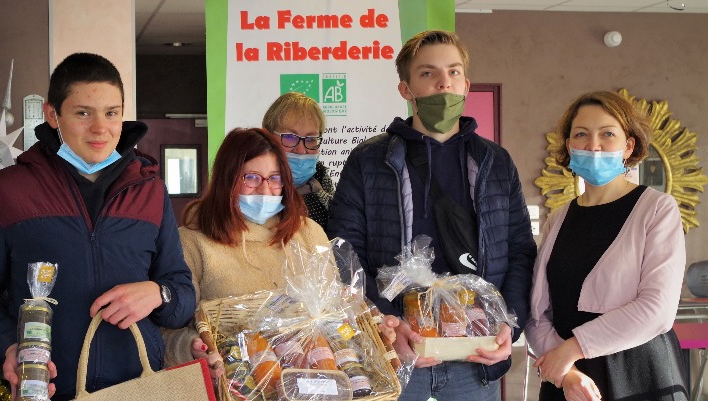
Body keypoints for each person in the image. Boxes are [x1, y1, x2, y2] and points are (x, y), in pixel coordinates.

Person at [0, 53, 196, 400]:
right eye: (83, 113)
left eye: (111, 113)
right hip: (46, 388)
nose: (100, 128)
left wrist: (159, 294)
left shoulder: (150, 190)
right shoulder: (5, 190)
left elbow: (182, 292)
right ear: (53, 114)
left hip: (138, 388)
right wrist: (9, 344)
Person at [327, 30, 536, 400]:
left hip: (476, 356)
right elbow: (344, 251)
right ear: (405, 89)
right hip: (396, 354)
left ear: (466, 84)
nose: (444, 83)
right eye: (428, 73)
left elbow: (520, 248)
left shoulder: (495, 162)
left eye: (454, 72)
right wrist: (386, 322)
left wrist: (511, 323)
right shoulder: (369, 160)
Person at [525, 90, 688, 401]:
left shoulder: (657, 208)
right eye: (581, 134)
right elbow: (537, 313)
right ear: (569, 146)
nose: (593, 145)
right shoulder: (557, 219)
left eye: (607, 134)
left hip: (638, 373)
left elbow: (658, 309)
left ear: (629, 146)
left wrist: (572, 350)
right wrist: (566, 372)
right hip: (570, 380)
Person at [163, 127, 337, 371]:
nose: (265, 190)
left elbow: (337, 310)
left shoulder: (309, 233)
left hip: (315, 380)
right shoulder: (192, 242)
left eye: (275, 178)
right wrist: (190, 348)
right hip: (235, 381)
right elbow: (166, 332)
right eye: (252, 178)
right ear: (228, 180)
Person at [262, 92, 336, 230]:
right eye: (290, 137)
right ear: (266, 137)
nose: (301, 150)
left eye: (311, 139)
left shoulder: (320, 178)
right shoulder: (248, 183)